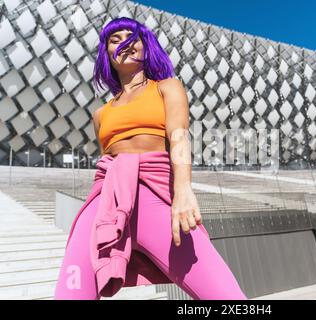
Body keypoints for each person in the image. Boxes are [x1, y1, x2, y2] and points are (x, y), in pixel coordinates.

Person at [54, 17, 247, 300]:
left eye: (132, 37)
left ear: (147, 46)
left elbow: (179, 135)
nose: (125, 44)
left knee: (226, 296)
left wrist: (183, 191)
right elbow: (108, 161)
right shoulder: (100, 114)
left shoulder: (167, 87)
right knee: (70, 291)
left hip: (156, 194)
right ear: (106, 53)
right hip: (106, 202)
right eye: (114, 39)